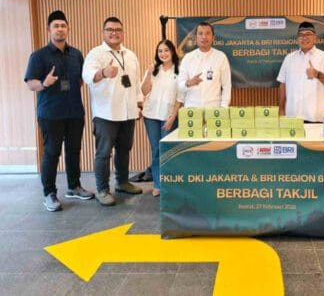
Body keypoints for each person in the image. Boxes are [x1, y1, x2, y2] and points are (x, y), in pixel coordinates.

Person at [24, 10, 93, 212]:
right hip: (50, 114)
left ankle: (74, 186)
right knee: (52, 153)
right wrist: (44, 83)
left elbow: (80, 81)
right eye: (56, 26)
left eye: (63, 26)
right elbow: (30, 83)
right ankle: (49, 193)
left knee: (74, 151)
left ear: (68, 29)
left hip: (74, 112)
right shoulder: (38, 56)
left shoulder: (76, 54)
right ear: (49, 29)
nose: (60, 29)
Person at [82, 17, 143, 206]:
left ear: (123, 33)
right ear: (103, 32)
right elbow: (87, 76)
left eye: (118, 29)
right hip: (106, 113)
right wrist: (103, 73)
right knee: (104, 153)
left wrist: (139, 103)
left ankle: (122, 182)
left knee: (124, 149)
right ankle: (102, 190)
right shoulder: (96, 54)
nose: (114, 33)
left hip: (128, 112)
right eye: (110, 29)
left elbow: (136, 82)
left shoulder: (130, 55)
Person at [141, 40, 184, 197]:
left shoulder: (179, 71)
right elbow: (144, 91)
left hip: (169, 117)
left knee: (168, 150)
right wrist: (148, 74)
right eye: (160, 51)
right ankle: (158, 184)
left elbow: (180, 97)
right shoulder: (154, 70)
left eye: (166, 50)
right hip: (151, 115)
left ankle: (170, 184)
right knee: (156, 150)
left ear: (172, 52)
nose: (163, 54)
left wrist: (173, 117)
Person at [277, 21, 324, 122]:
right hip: (293, 117)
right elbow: (282, 84)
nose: (304, 38)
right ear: (297, 39)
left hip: (317, 117)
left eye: (308, 34)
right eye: (301, 35)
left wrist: (317, 74)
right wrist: (281, 109)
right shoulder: (289, 58)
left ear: (315, 38)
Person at [178, 22, 231, 108]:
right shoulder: (188, 58)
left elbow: (226, 85)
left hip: (214, 109)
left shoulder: (221, 57)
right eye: (200, 33)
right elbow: (179, 86)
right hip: (191, 108)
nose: (204, 37)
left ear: (213, 37)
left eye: (207, 33)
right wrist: (188, 83)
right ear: (196, 37)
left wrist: (223, 107)